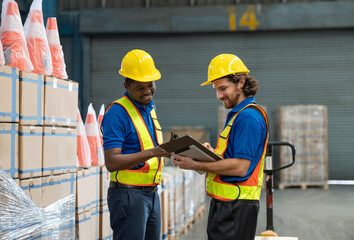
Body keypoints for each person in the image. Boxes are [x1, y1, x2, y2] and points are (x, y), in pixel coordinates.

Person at [172, 53, 269, 240]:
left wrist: (196, 165)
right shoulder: (237, 114)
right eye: (216, 90)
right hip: (228, 204)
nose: (219, 95)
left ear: (241, 82)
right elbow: (232, 156)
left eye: (223, 88)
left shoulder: (248, 117)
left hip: (236, 207)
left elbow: (240, 168)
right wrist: (209, 153)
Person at [101, 49, 171, 240]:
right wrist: (153, 152)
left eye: (150, 85)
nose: (147, 91)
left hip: (151, 193)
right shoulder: (117, 113)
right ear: (127, 85)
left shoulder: (149, 107)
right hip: (128, 196)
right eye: (140, 88)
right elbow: (112, 162)